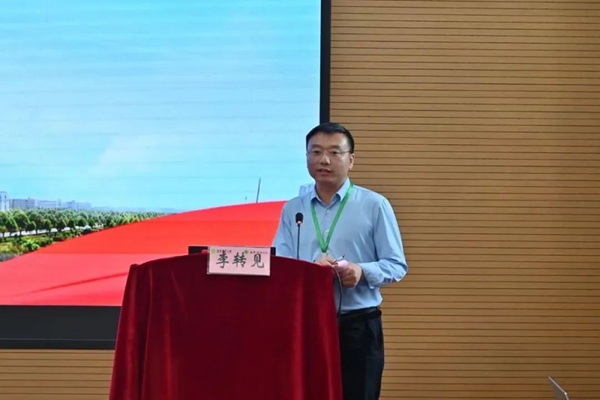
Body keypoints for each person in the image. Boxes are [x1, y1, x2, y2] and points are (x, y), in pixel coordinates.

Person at [272, 122, 409, 400]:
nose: (324, 160)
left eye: (334, 152)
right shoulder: (293, 209)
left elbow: (396, 265)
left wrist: (362, 271)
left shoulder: (374, 205)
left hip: (358, 325)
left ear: (351, 160)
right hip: (307, 324)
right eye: (316, 152)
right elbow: (280, 265)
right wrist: (309, 272)